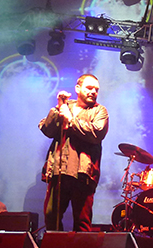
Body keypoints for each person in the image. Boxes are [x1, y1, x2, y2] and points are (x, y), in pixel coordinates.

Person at [39, 74, 109, 232]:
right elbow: (47, 130)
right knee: (51, 216)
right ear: (78, 88)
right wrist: (58, 108)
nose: (93, 92)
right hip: (58, 171)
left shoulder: (99, 111)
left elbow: (96, 133)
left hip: (83, 174)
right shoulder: (65, 107)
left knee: (82, 222)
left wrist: (71, 119)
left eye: (96, 89)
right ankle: (57, 247)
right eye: (89, 88)